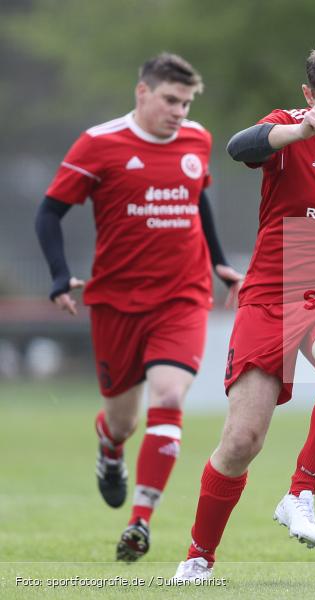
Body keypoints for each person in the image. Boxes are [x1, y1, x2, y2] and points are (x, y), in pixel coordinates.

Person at [172, 44, 315, 582]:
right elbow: (237, 147)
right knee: (241, 442)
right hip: (271, 294)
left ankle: (301, 493)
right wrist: (302, 131)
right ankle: (199, 557)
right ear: (310, 97)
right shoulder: (287, 129)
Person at [34, 53, 242, 562]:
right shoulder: (99, 144)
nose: (179, 112)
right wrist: (60, 276)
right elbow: (49, 212)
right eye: (171, 100)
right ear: (142, 93)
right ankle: (110, 449)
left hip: (183, 297)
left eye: (187, 102)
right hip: (116, 303)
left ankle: (140, 521)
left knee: (169, 395)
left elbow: (199, 200)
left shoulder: (197, 138)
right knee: (123, 422)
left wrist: (217, 262)